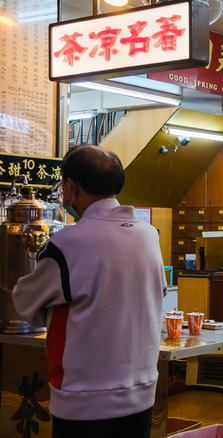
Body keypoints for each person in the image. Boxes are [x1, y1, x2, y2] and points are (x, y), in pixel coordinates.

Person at [12, 145, 167, 438]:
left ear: (70, 187)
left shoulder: (70, 242)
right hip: (142, 393)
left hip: (85, 402)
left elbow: (25, 302)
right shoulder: (149, 234)